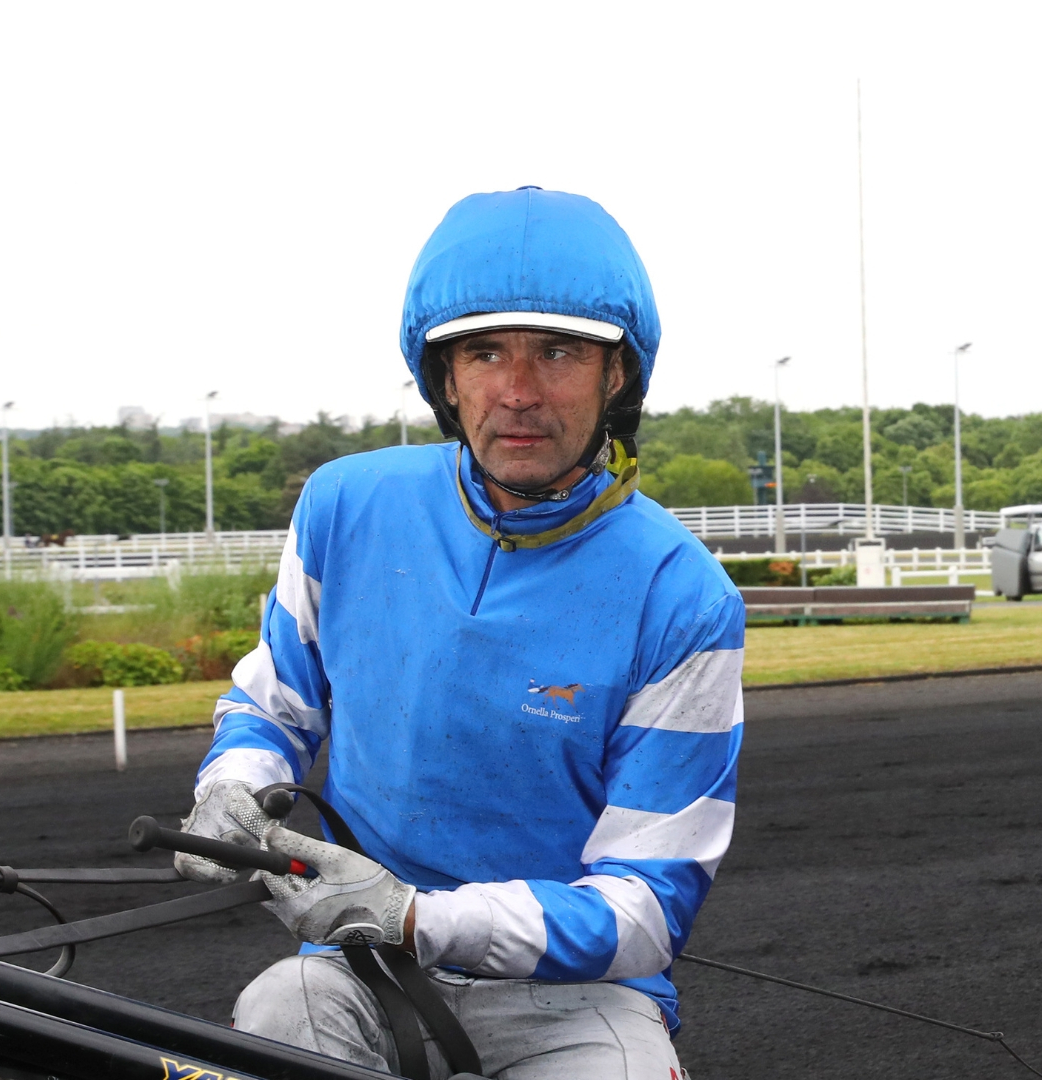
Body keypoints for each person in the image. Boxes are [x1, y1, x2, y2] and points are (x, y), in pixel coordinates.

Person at [173, 186, 744, 1078]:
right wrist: (236, 784)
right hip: (359, 973)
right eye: (485, 353)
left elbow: (645, 908)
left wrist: (416, 915)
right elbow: (272, 703)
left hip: (576, 1001)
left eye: (558, 352)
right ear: (445, 376)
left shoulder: (684, 595)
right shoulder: (344, 505)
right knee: (271, 1016)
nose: (518, 392)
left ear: (617, 374)